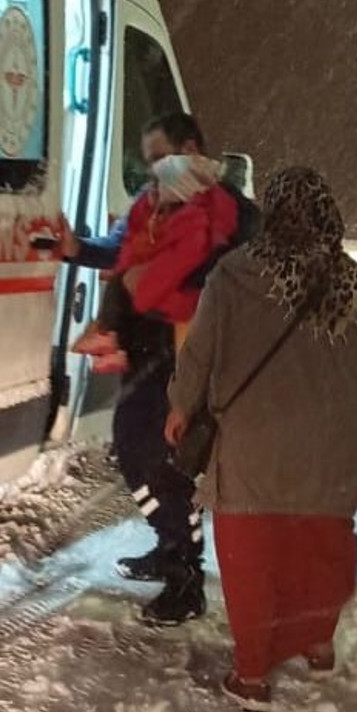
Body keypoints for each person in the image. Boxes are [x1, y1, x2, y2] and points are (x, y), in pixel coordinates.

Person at [165, 167, 357, 709]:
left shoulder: (234, 274)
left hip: (254, 447)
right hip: (333, 447)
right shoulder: (356, 282)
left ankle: (251, 675)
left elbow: (199, 354)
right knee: (321, 548)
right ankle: (317, 643)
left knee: (252, 560)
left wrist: (180, 406)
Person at [62, 112, 224, 625]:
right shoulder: (151, 201)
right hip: (144, 342)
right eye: (149, 160)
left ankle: (186, 576)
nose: (153, 169)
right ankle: (169, 544)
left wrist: (144, 280)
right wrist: (77, 250)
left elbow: (216, 277)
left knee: (164, 460)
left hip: (181, 349)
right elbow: (120, 250)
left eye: (160, 157)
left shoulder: (221, 208)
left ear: (190, 149)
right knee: (132, 450)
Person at [70, 153, 236, 374]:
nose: (149, 192)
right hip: (175, 304)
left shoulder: (192, 230)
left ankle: (114, 340)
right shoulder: (186, 222)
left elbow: (163, 276)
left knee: (126, 287)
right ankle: (112, 338)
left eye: (156, 187)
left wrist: (136, 284)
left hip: (180, 308)